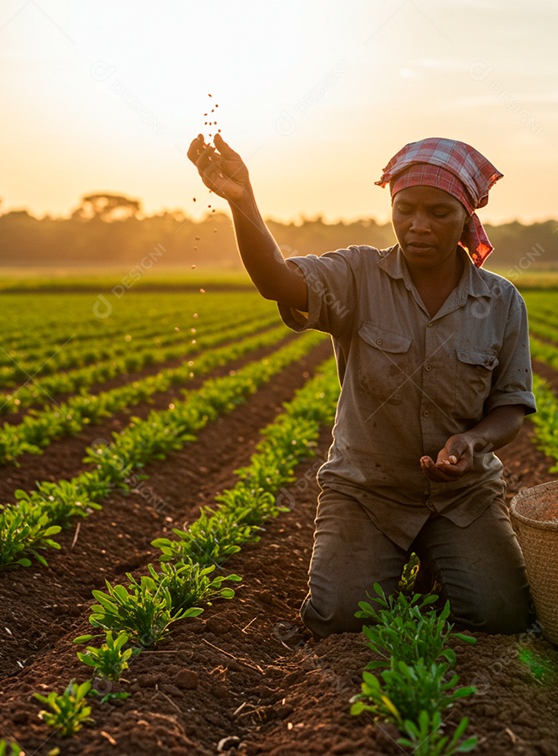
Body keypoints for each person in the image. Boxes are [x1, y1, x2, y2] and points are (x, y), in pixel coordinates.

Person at [187, 134, 535, 638]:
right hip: (366, 491)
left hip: (462, 495)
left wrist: (473, 441)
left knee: (501, 617)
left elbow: (511, 406)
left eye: (438, 212)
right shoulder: (357, 274)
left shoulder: (500, 301)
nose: (419, 225)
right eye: (405, 208)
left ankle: (441, 562)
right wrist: (243, 202)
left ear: (466, 217)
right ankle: (397, 563)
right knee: (340, 621)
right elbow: (277, 281)